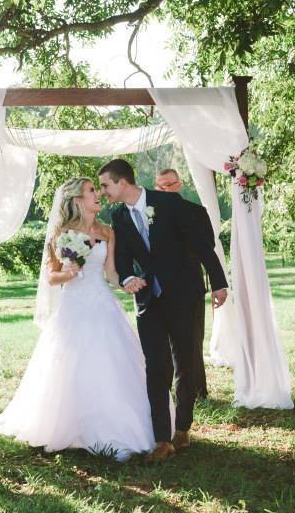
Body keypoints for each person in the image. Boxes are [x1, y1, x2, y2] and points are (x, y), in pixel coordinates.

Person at [0, 177, 155, 460]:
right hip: (73, 308)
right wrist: (69, 273)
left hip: (103, 304)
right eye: (93, 191)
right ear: (78, 200)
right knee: (71, 365)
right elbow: (51, 276)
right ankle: (70, 425)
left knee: (111, 362)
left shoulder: (107, 231)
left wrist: (127, 283)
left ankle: (118, 426)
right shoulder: (61, 233)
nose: (99, 195)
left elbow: (112, 273)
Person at [99, 159, 228, 462]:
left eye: (105, 185)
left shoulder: (169, 203)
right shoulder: (118, 215)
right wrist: (129, 277)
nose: (103, 191)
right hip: (148, 302)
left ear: (122, 182)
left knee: (187, 361)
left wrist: (219, 283)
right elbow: (124, 259)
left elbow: (201, 246)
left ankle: (182, 429)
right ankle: (162, 438)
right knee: (156, 368)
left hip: (185, 295)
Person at [155, 167, 213, 400]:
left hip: (190, 285)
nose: (165, 189)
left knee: (192, 340)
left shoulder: (197, 212)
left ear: (179, 185)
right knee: (164, 344)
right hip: (159, 287)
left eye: (169, 184)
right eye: (160, 186)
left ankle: (198, 390)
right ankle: (168, 391)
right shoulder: (150, 214)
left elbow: (206, 246)